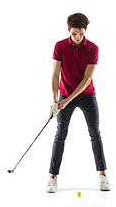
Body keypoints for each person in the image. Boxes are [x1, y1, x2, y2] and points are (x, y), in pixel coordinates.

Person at [46, 12, 111, 192]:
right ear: (69, 29)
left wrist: (67, 100)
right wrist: (54, 100)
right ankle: (52, 177)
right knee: (60, 134)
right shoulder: (59, 46)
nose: (78, 37)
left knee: (95, 133)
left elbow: (86, 79)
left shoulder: (93, 48)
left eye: (81, 33)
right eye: (74, 32)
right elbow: (55, 75)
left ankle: (103, 175)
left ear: (85, 31)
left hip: (86, 95)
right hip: (63, 96)